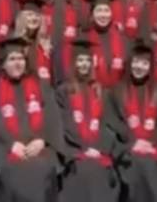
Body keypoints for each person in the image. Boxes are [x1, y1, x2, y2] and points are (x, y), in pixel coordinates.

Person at [0, 36, 63, 202]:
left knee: (42, 169)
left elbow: (52, 115)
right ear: (2, 63)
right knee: (14, 176)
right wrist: (11, 144)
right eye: (12, 59)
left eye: (21, 58)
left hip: (39, 150)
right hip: (5, 152)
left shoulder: (39, 85)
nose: (18, 63)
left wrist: (42, 140)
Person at [104, 41, 157, 202]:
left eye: (145, 63)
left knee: (152, 167)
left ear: (151, 66)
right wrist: (132, 144)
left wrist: (154, 146)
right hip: (127, 153)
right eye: (136, 62)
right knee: (138, 166)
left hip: (155, 150)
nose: (139, 67)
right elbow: (111, 125)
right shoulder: (116, 91)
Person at [55, 36, 116, 202]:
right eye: (80, 60)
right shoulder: (63, 91)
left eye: (87, 60)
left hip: (99, 150)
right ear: (73, 63)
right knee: (83, 170)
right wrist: (81, 149)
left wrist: (98, 148)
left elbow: (108, 124)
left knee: (98, 170)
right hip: (74, 151)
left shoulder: (102, 91)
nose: (84, 64)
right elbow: (63, 123)